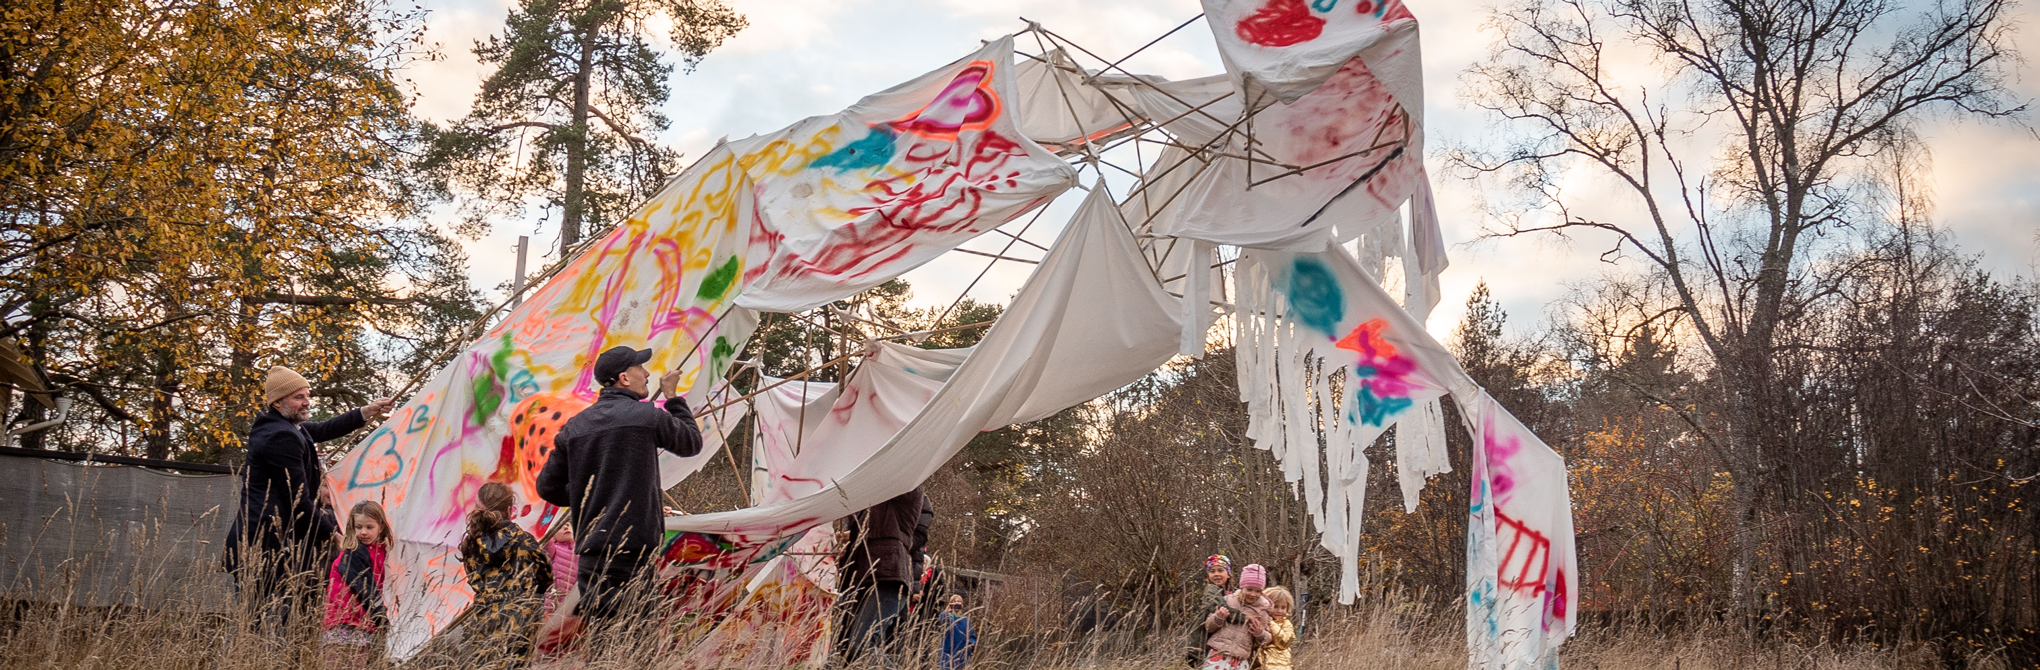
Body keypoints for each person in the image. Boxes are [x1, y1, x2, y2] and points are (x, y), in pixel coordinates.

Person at [535, 345, 702, 625]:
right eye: (640, 368)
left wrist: (585, 496)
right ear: (624, 378)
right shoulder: (648, 416)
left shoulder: (575, 428)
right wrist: (673, 397)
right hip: (634, 551)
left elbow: (547, 488)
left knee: (602, 636)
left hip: (592, 553)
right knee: (637, 637)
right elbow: (691, 443)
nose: (647, 373)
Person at [225, 365, 393, 628]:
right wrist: (334, 534)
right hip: (263, 547)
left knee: (276, 618)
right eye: (299, 397)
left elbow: (322, 429)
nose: (307, 402)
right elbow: (298, 501)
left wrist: (365, 412)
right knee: (255, 623)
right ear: (278, 401)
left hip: (275, 544)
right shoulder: (279, 436)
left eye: (307, 395)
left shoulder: (287, 427)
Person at [460, 482, 552, 666]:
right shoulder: (525, 542)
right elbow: (546, 576)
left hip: (484, 618)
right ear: (510, 510)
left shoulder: (471, 543)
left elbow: (474, 580)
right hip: (521, 622)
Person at [834, 486, 925, 666]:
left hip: (888, 576)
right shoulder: (866, 499)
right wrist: (847, 540)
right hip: (861, 579)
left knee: (860, 645)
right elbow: (870, 528)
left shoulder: (906, 487)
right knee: (846, 649)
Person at [322, 501, 392, 668]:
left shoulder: (376, 551)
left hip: (361, 620)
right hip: (343, 619)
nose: (363, 532)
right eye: (358, 527)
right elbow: (365, 587)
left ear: (380, 527)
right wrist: (380, 616)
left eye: (369, 527)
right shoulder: (354, 553)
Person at [1201, 563, 1272, 670]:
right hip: (1217, 652)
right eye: (1249, 589)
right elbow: (1208, 627)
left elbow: (1267, 639)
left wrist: (1260, 633)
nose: (1253, 594)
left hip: (1240, 658)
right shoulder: (1228, 600)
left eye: (1258, 591)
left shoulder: (1262, 611)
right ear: (1242, 587)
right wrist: (1219, 618)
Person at [1185, 554, 1234, 667]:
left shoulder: (1235, 594)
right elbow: (1220, 608)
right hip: (1206, 640)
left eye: (1220, 570)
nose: (1216, 574)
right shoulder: (1211, 590)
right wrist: (1244, 617)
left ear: (1228, 574)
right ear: (1208, 576)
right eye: (1212, 571)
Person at [542, 521, 579, 617]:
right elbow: (546, 538)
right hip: (553, 607)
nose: (565, 528)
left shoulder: (580, 548)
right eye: (560, 527)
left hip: (574, 607)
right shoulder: (553, 549)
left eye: (567, 525)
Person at [1259, 586, 1296, 670]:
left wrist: (1271, 623)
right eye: (1275, 607)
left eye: (1283, 607)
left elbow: (1284, 643)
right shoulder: (1261, 621)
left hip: (1280, 666)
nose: (1279, 611)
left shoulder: (1286, 624)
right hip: (1260, 664)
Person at [937, 594, 975, 670]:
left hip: (962, 655)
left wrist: (970, 646)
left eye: (959, 601)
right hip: (947, 653)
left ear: (962, 604)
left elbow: (972, 634)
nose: (957, 603)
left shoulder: (966, 620)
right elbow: (941, 621)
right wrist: (946, 611)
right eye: (954, 601)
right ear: (951, 604)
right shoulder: (948, 617)